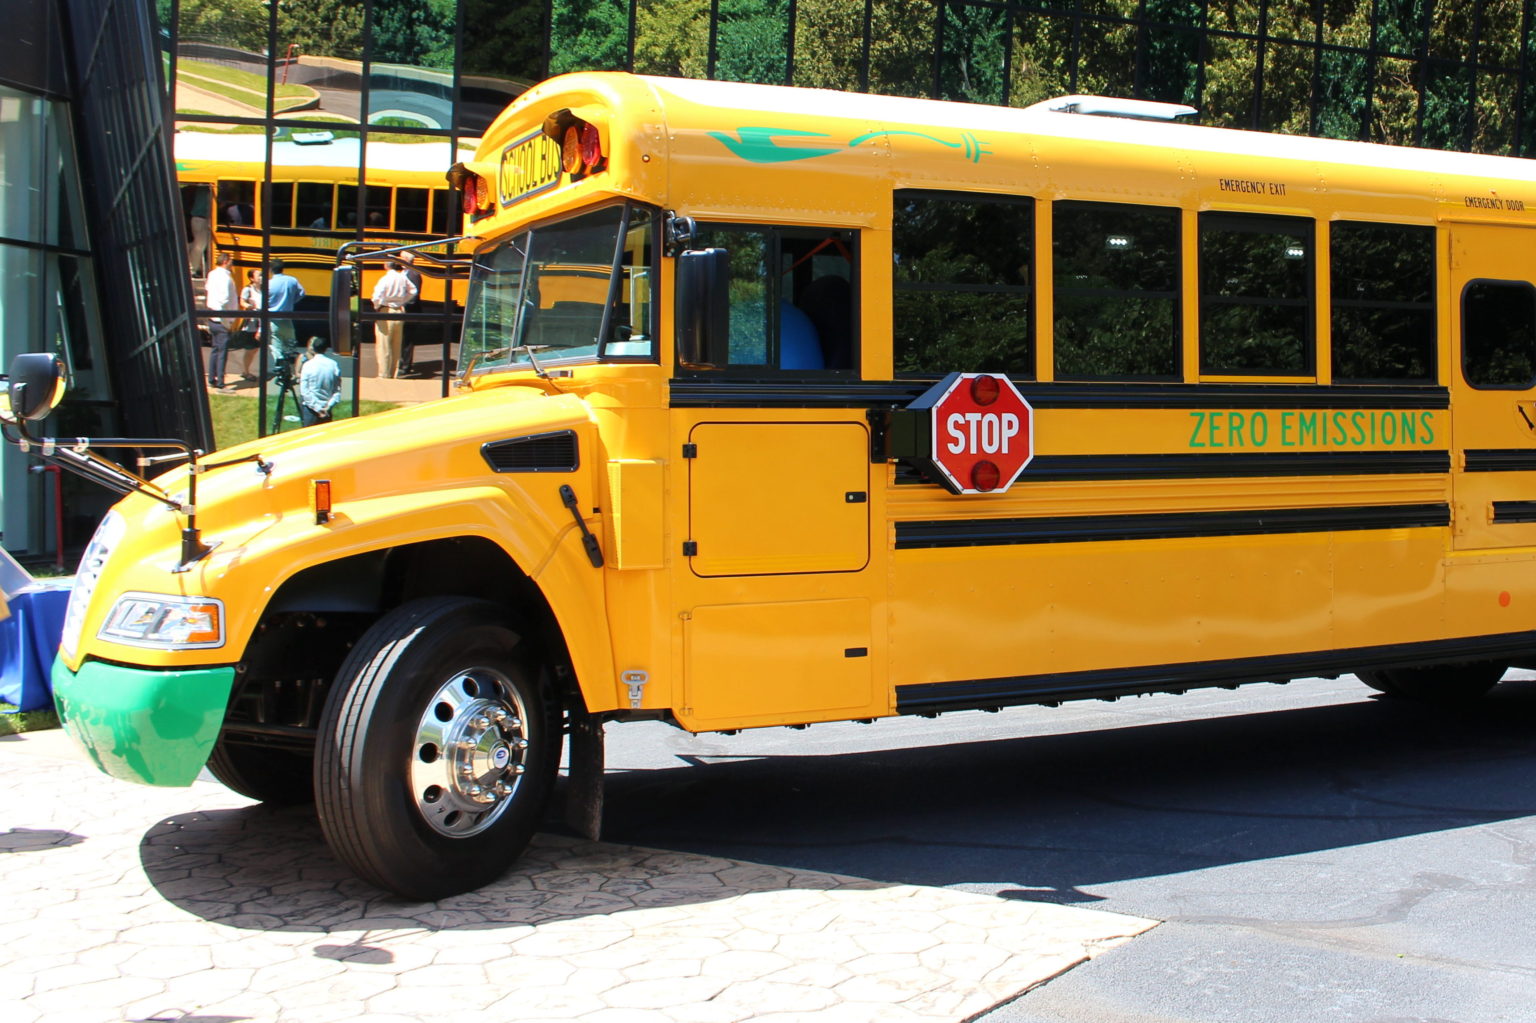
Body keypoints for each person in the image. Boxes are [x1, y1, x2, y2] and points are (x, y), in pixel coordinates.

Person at [370, 259, 418, 379]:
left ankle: (384, 374)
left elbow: (376, 296)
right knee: (396, 344)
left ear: (386, 266)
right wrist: (403, 301)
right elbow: (413, 290)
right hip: (399, 311)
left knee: (384, 344)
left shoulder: (385, 279)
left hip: (386, 310)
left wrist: (378, 306)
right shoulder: (402, 277)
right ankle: (394, 373)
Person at [204, 252, 238, 390]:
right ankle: (220, 382)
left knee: (215, 349)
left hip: (212, 316)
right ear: (225, 261)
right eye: (230, 260)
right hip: (222, 318)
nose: (232, 263)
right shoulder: (225, 278)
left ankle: (212, 378)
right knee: (222, 352)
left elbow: (208, 289)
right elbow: (224, 299)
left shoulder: (212, 274)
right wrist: (227, 321)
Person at [265, 259, 305, 373]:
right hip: (288, 318)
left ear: (271, 270)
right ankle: (292, 369)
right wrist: (291, 301)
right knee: (290, 344)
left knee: (276, 346)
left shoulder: (269, 284)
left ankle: (280, 367)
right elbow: (302, 293)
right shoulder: (292, 280)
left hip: (274, 319)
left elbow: (264, 301)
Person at [298, 337, 341, 427]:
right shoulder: (333, 364)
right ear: (326, 349)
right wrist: (328, 407)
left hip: (310, 410)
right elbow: (337, 391)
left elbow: (304, 392)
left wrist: (317, 408)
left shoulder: (308, 365)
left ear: (313, 348)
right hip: (327, 409)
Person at [231, 269, 264, 381]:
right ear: (251, 278)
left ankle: (247, 370)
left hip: (263, 321)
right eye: (259, 276)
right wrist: (249, 306)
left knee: (256, 348)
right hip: (252, 322)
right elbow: (242, 302)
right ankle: (246, 371)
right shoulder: (248, 289)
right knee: (251, 348)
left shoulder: (264, 290)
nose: (261, 278)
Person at [397, 250, 425, 375]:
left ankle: (405, 366)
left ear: (408, 260)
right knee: (403, 339)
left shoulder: (413, 274)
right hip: (405, 310)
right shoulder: (405, 272)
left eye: (402, 258)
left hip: (410, 312)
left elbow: (413, 297)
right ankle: (402, 363)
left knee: (407, 340)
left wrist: (402, 304)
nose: (399, 260)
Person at [187, 185, 211, 277]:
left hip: (197, 218)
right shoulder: (207, 189)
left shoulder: (202, 187)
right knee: (199, 245)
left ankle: (196, 267)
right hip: (201, 219)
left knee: (198, 244)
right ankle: (192, 269)